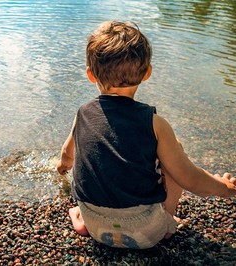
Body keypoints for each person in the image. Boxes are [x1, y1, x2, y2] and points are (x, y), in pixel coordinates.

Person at [56, 21, 236, 249]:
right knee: (175, 149)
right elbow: (190, 179)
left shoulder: (82, 114)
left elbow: (66, 154)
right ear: (147, 72)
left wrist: (62, 168)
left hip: (95, 227)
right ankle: (167, 222)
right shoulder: (155, 123)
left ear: (91, 75)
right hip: (146, 233)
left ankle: (80, 219)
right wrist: (224, 188)